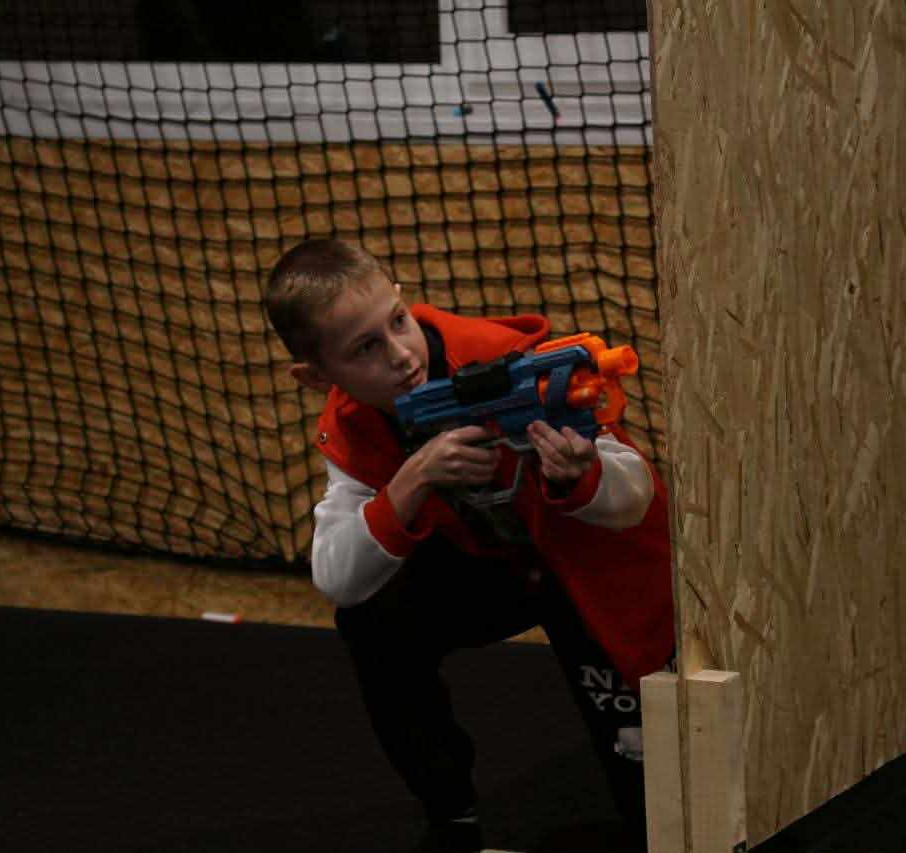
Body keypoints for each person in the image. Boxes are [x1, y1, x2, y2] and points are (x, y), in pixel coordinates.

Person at [263, 238, 676, 852]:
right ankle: (450, 815)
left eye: (397, 322)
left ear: (402, 299)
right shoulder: (355, 420)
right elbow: (338, 578)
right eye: (365, 348)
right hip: (496, 569)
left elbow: (638, 495)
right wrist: (413, 479)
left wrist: (581, 475)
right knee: (373, 619)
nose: (400, 355)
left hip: (587, 570)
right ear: (316, 378)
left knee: (651, 797)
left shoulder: (507, 361)